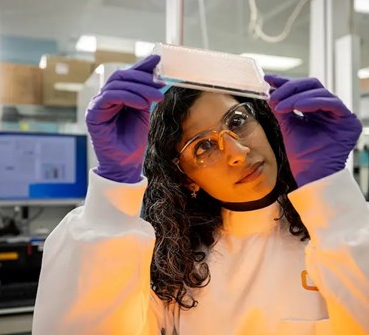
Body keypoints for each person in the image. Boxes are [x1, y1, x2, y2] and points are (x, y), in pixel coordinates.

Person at [32, 54, 369, 335]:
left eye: (237, 121)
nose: (237, 152)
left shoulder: (340, 235)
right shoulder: (171, 269)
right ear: (185, 178)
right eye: (204, 146)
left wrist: (331, 191)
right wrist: (112, 197)